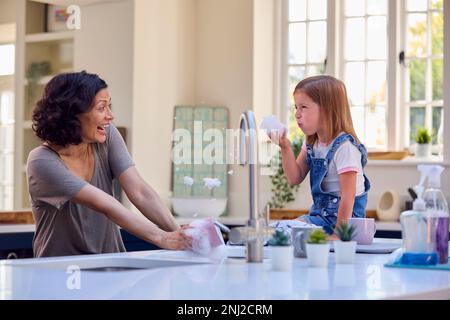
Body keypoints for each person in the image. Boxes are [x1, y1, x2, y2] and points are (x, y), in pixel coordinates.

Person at [27, 71, 192, 257]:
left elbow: (139, 191)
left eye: (109, 106)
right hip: (61, 275)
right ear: (73, 113)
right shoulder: (41, 161)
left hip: (110, 267)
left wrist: (180, 235)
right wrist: (163, 239)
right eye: (101, 108)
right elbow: (106, 205)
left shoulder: (106, 136)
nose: (110, 116)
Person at [269, 75, 371, 236]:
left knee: (284, 233)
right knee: (277, 230)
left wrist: (339, 235)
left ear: (326, 109)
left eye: (303, 107)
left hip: (346, 224)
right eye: (296, 107)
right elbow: (294, 178)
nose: (297, 114)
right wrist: (285, 147)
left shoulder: (345, 148)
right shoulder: (312, 142)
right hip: (320, 218)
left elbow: (348, 197)